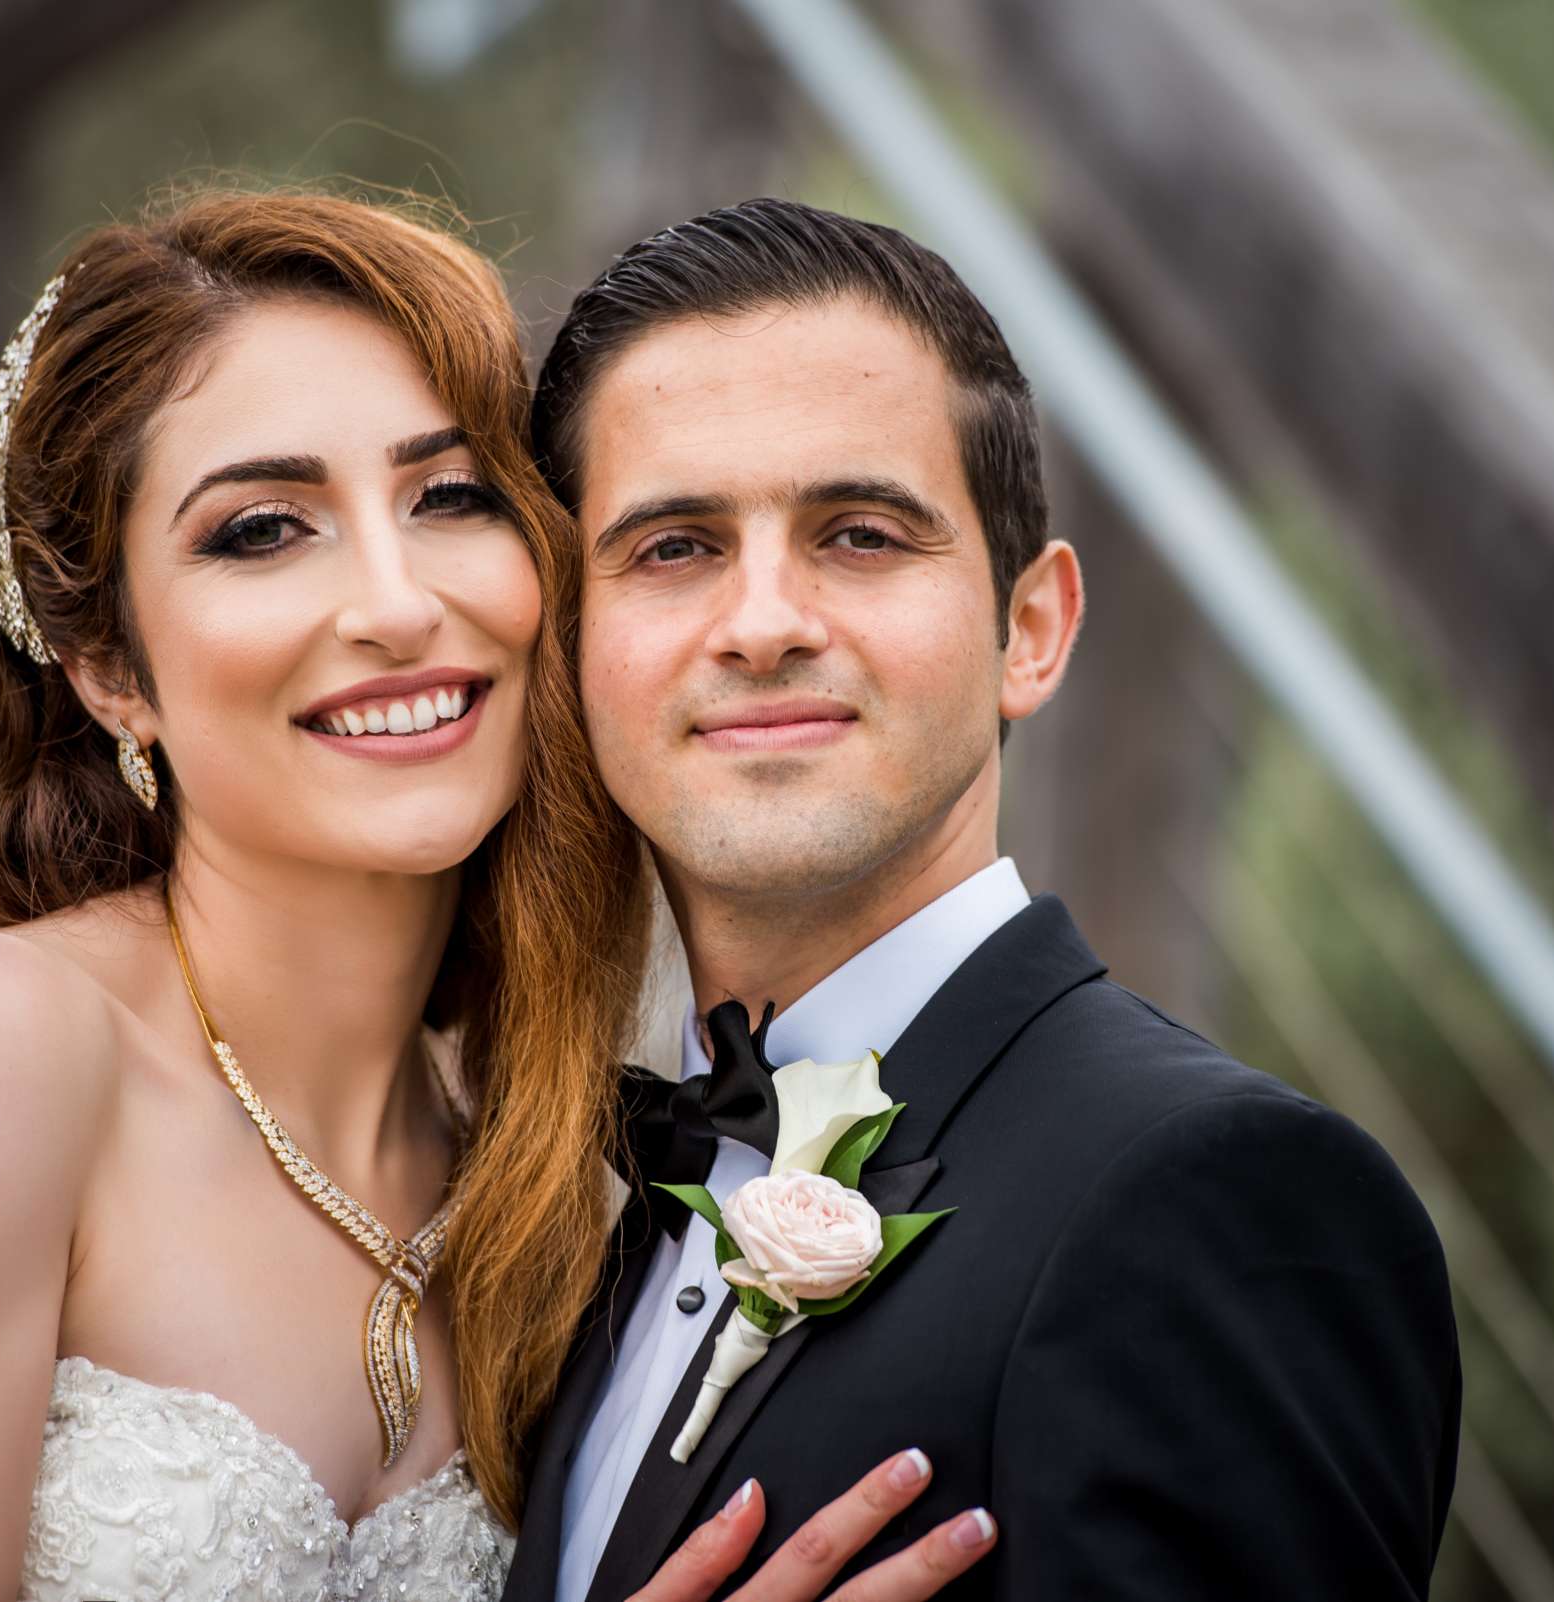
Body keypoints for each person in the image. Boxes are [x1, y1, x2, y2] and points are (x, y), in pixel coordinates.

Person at [0, 189, 996, 1602]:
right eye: (261, 529)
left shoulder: (537, 1191)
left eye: (450, 497)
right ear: (109, 666)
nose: (393, 601)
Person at [507, 199, 1463, 1602]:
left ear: (1032, 628)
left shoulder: (1224, 1202)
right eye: (674, 548)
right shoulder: (566, 1214)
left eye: (861, 535)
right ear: (575, 649)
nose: (765, 620)